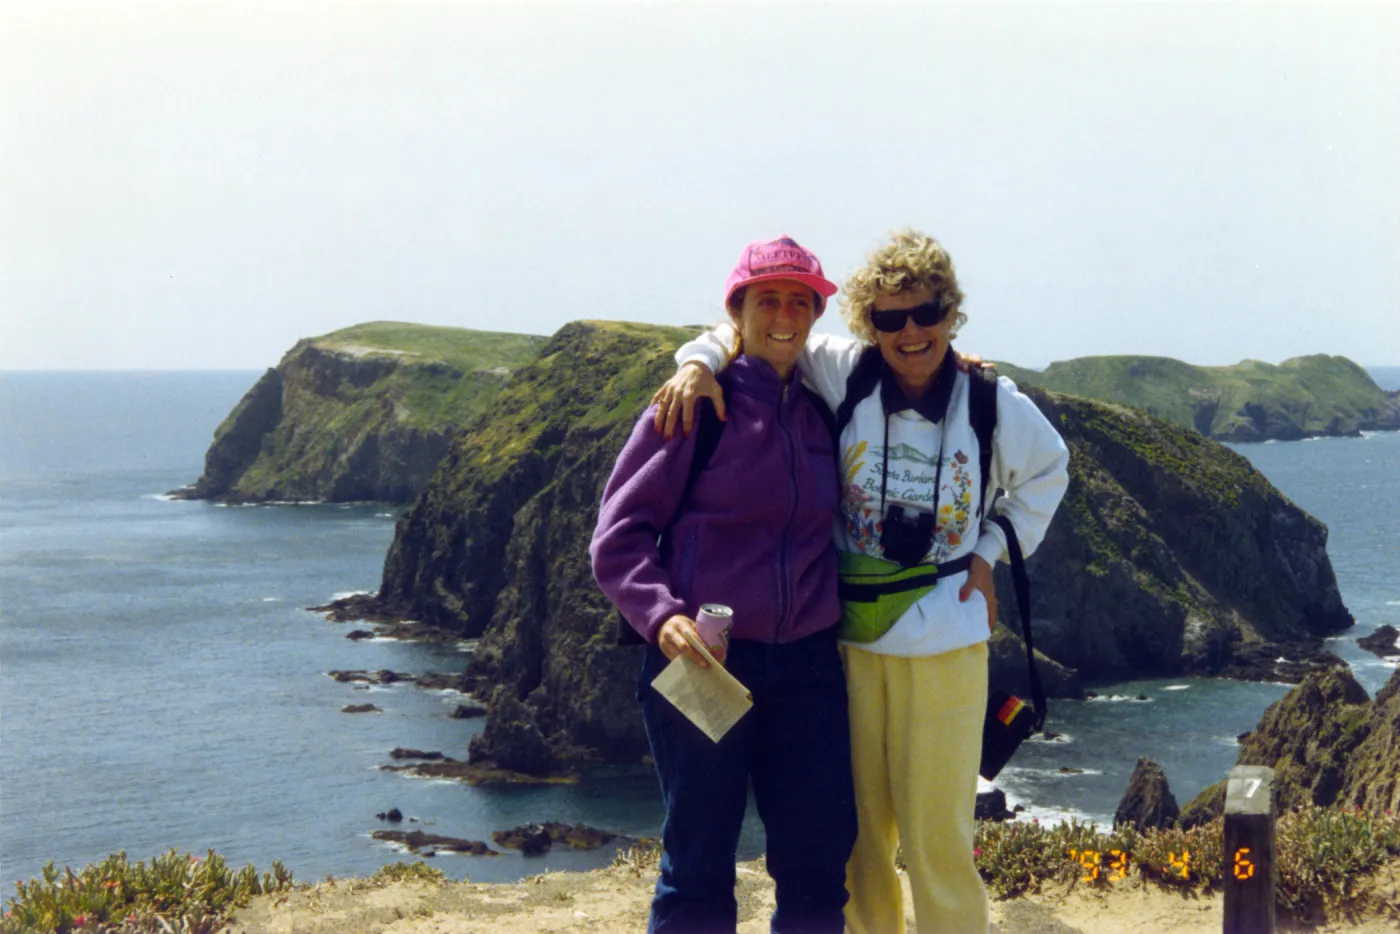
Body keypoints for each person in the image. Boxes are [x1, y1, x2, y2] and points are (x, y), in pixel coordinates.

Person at [652, 229, 1070, 934]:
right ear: (867, 325)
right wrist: (698, 361)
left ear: (951, 313)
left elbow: (1049, 474)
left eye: (926, 313)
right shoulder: (844, 372)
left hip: (945, 642)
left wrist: (989, 550)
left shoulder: (993, 402)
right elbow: (759, 331)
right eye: (889, 318)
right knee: (859, 847)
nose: (910, 332)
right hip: (846, 649)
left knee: (939, 840)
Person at [590, 235, 858, 934]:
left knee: (816, 860)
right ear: (737, 310)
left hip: (807, 668)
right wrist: (660, 616)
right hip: (704, 661)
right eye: (768, 299)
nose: (785, 315)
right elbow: (617, 538)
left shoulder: (824, 407)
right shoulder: (695, 405)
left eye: (801, 301)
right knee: (699, 861)